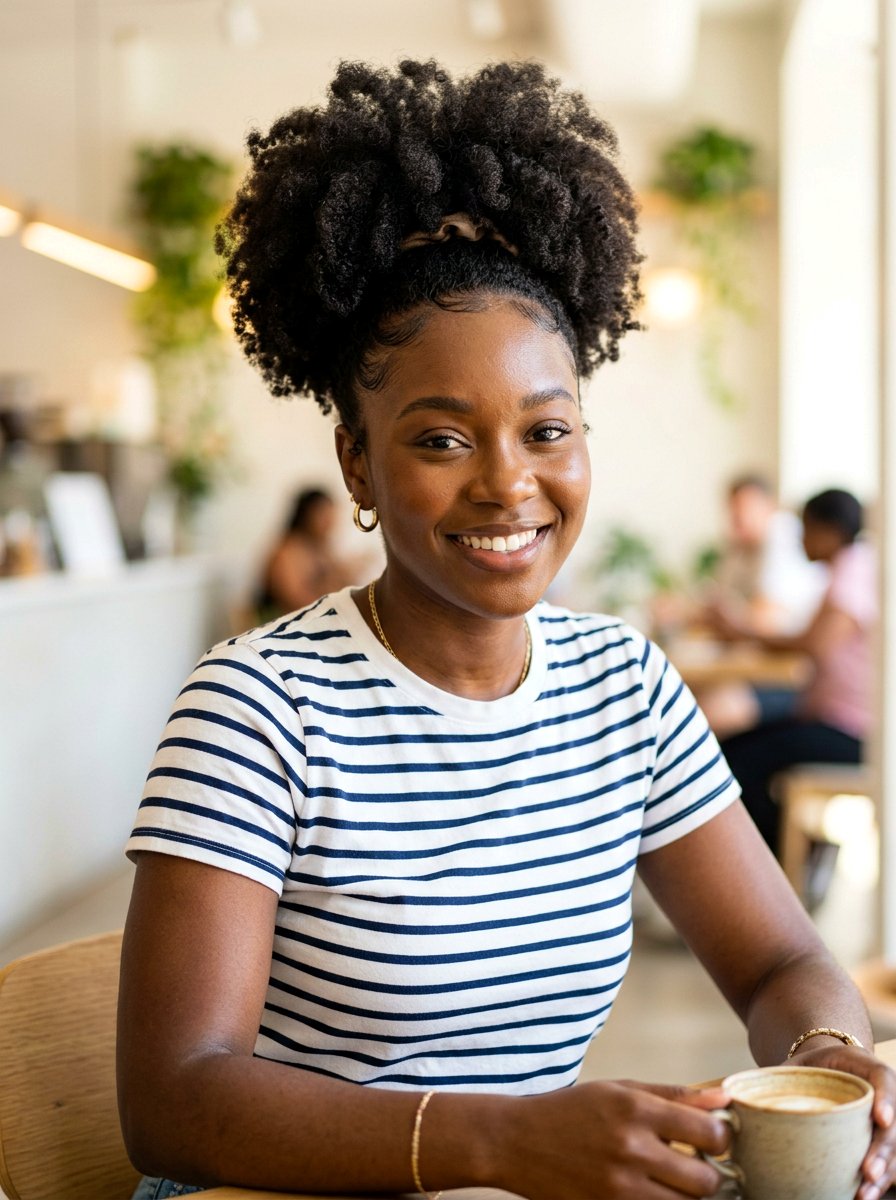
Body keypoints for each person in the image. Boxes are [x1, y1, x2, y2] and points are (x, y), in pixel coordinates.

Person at [117, 61, 896, 1200]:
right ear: (356, 462)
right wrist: (499, 1142)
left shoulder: (623, 686)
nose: (506, 485)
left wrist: (831, 1061)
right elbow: (173, 1100)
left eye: (546, 429)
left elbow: (781, 960)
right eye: (439, 440)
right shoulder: (257, 710)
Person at [719, 488, 876, 860]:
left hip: (850, 729)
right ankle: (786, 855)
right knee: (730, 751)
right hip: (829, 718)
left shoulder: (853, 572)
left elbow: (814, 645)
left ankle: (786, 860)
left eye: (807, 529)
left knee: (735, 763)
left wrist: (739, 631)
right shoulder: (849, 569)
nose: (801, 540)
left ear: (831, 531)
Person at [694, 474, 827, 738]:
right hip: (755, 672)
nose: (737, 518)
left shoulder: (783, 535)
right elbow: (716, 608)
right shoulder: (740, 546)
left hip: (794, 680)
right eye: (733, 510)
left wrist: (731, 620)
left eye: (744, 508)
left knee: (704, 714)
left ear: (769, 506)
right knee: (682, 700)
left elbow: (762, 617)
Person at [255, 486, 356, 619]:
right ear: (306, 515)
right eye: (323, 514)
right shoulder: (286, 552)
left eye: (332, 514)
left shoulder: (322, 548)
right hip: (283, 627)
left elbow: (344, 586)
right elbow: (296, 602)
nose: (329, 521)